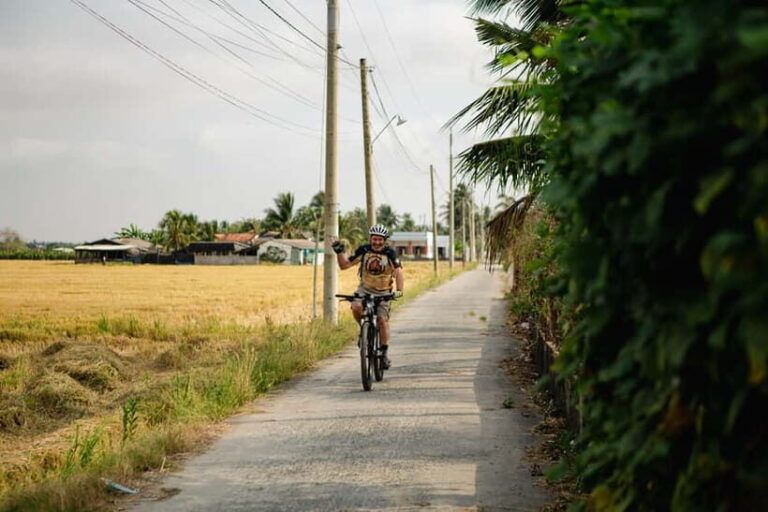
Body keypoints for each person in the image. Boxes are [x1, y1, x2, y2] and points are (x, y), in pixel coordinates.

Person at [332, 224, 404, 369]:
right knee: (356, 307)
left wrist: (399, 290)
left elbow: (398, 272)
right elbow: (345, 265)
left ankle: (383, 353)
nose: (377, 243)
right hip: (365, 290)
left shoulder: (390, 253)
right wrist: (339, 251)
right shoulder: (364, 250)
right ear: (370, 239)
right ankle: (363, 331)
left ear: (384, 240)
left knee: (382, 320)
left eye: (380, 240)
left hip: (384, 291)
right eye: (374, 239)